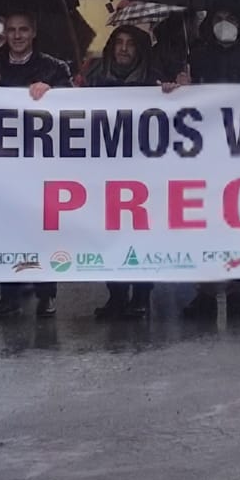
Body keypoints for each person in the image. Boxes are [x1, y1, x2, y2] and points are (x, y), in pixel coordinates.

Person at [180, 0, 240, 321]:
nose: (224, 24)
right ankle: (206, 293)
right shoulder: (196, 57)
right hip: (205, 156)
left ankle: (236, 292)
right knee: (206, 225)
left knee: (238, 224)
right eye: (218, 18)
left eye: (230, 18)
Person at [0, 12, 72, 319]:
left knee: (42, 229)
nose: (17, 36)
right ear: (3, 33)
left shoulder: (54, 67)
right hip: (4, 164)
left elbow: (75, 104)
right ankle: (10, 294)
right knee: (7, 228)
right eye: (11, 30)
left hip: (42, 164)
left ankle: (47, 293)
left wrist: (52, 91)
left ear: (33, 33)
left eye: (23, 30)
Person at [87, 25, 158, 321]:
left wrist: (177, 90)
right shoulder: (93, 79)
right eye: (119, 42)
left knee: (142, 235)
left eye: (130, 44)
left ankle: (141, 297)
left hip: (144, 173)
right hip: (105, 172)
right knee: (108, 235)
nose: (124, 49)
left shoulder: (154, 83)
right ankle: (116, 295)